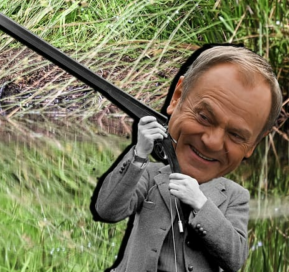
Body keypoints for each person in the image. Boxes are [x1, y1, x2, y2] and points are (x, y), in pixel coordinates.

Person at [91, 45, 283, 272]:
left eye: (236, 135)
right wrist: (139, 153)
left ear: (253, 145)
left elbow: (235, 259)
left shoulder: (235, 197)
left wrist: (200, 203)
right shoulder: (150, 175)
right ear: (178, 96)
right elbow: (107, 210)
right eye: (203, 117)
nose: (212, 142)